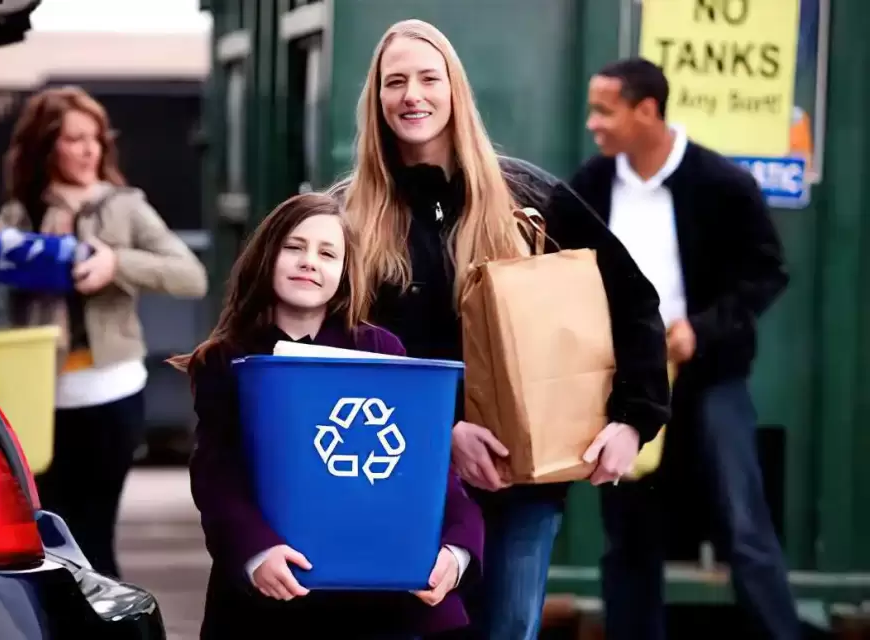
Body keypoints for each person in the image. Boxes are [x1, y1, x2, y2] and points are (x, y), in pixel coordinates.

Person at [331, 19, 671, 640]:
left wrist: (634, 418)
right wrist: (441, 432)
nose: (413, 95)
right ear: (376, 100)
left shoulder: (528, 196)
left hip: (518, 481)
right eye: (395, 81)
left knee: (507, 629)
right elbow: (331, 356)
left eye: (429, 78)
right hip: (394, 473)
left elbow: (632, 299)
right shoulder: (346, 216)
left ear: (456, 90)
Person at [171, 192, 485, 639]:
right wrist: (256, 552)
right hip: (277, 593)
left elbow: (428, 470)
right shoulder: (227, 359)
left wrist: (456, 550)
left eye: (327, 253)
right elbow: (216, 474)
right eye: (294, 247)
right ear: (265, 256)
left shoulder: (380, 351)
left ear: (345, 271)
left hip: (379, 598)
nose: (309, 262)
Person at [0, 86, 208, 579]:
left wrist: (116, 263)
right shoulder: (22, 213)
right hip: (40, 400)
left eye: (95, 139)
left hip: (111, 389)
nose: (88, 150)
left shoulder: (125, 206)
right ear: (47, 147)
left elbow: (190, 275)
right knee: (50, 533)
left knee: (96, 533)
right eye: (74, 139)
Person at [570, 58, 798, 639]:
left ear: (647, 111)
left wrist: (702, 328)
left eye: (605, 110)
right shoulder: (591, 185)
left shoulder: (722, 184)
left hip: (711, 380)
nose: (593, 123)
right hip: (629, 391)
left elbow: (767, 272)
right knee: (629, 538)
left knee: (744, 528)